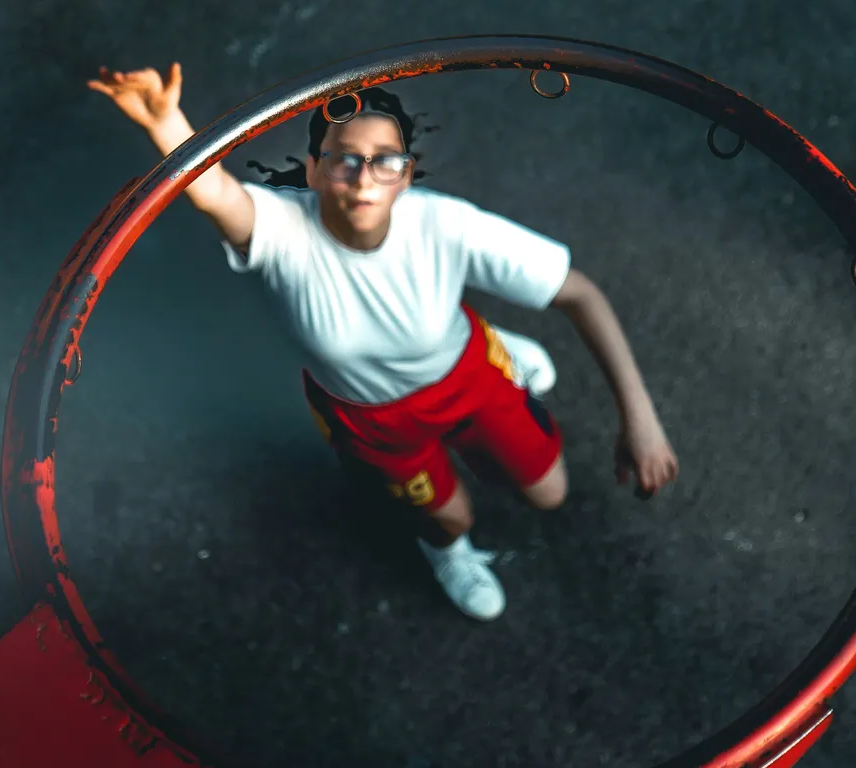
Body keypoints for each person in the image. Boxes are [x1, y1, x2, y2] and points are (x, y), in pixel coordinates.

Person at [87, 62, 680, 621]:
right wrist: (167, 124)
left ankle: (496, 343)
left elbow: (581, 294)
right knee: (451, 517)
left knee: (549, 495)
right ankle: (447, 553)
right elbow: (214, 193)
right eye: (345, 160)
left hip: (466, 372)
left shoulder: (445, 224)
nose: (364, 177)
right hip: (368, 415)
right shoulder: (280, 230)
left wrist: (641, 417)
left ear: (408, 174)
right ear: (315, 170)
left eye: (385, 161)